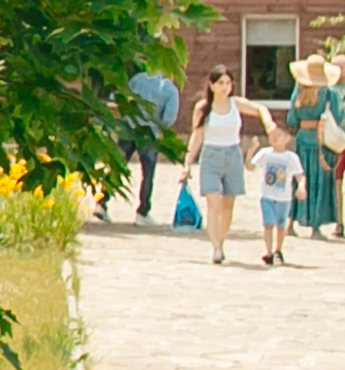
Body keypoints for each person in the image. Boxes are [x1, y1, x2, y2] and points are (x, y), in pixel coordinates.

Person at [185, 68, 272, 267]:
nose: (225, 87)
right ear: (212, 85)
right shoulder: (203, 108)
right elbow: (196, 136)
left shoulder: (236, 104)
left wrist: (269, 124)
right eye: (221, 83)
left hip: (232, 154)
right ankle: (215, 247)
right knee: (213, 202)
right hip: (211, 155)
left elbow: (259, 109)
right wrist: (187, 163)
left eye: (228, 83)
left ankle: (221, 243)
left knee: (227, 205)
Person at [281, 54, 338, 242]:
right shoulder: (328, 93)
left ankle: (290, 222)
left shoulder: (298, 91)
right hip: (321, 140)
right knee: (319, 181)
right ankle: (315, 225)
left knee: (298, 179)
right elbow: (336, 115)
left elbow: (291, 119)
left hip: (302, 138)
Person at [126, 66, 180, 220]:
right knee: (148, 174)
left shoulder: (137, 79)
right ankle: (142, 212)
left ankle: (102, 202)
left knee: (118, 164)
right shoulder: (170, 90)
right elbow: (169, 118)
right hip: (150, 133)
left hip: (129, 128)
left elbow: (126, 100)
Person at [260, 126, 305, 266]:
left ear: (287, 138)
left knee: (280, 225)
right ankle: (268, 251)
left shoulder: (291, 157)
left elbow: (299, 175)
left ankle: (278, 250)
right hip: (267, 195)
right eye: (272, 134)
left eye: (279, 135)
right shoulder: (265, 153)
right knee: (268, 224)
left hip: (284, 197)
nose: (274, 137)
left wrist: (301, 187)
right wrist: (250, 153)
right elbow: (251, 166)